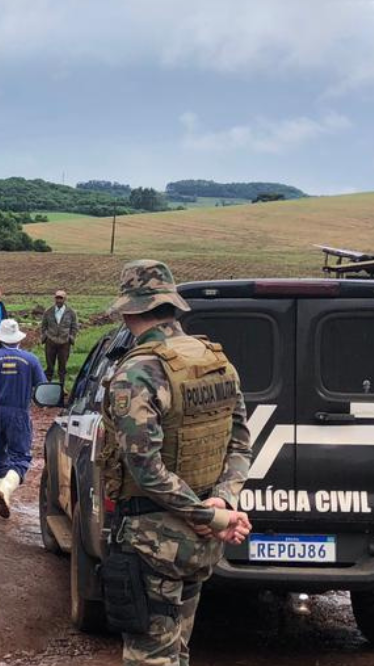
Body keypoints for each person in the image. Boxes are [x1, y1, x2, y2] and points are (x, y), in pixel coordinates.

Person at [99, 260, 253, 666]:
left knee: (151, 656)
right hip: (200, 543)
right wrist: (222, 501)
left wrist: (207, 514)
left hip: (156, 540)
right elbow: (240, 446)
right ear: (171, 306)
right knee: (178, 649)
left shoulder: (138, 372)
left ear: (129, 310)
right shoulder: (217, 361)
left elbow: (145, 468)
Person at [0, 318, 45, 518]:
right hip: (19, 411)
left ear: (0, 338)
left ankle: (3, 496)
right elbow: (42, 389)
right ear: (18, 338)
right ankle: (5, 490)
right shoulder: (31, 360)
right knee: (20, 456)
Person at [40, 289, 79, 384]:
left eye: (60, 298)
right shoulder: (48, 311)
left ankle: (61, 387)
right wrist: (46, 336)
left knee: (62, 368)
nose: (58, 300)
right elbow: (43, 326)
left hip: (65, 343)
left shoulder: (71, 312)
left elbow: (74, 326)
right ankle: (47, 386)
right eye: (57, 298)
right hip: (50, 342)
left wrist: (71, 337)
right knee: (49, 367)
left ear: (65, 299)